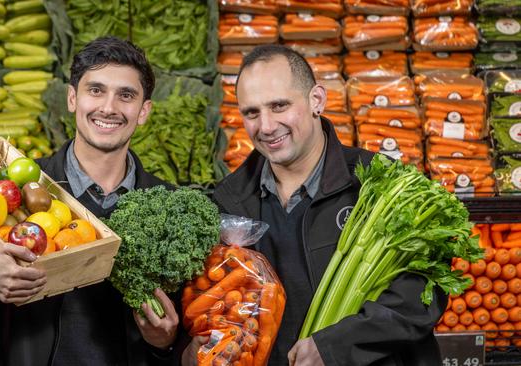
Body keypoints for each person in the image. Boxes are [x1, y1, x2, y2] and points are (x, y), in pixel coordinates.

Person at [0, 36, 181, 366]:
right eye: (95, 90)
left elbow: (190, 324)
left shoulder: (170, 206)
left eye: (125, 95)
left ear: (143, 111)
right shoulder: (15, 181)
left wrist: (164, 343)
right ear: (72, 98)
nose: (109, 107)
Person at [182, 45, 446, 365]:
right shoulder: (227, 201)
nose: (265, 126)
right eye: (252, 112)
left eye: (279, 106)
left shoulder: (380, 184)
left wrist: (336, 347)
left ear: (316, 100)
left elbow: (422, 295)